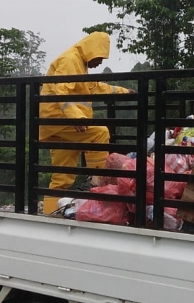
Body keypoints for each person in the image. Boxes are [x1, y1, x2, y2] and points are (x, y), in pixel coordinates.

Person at [39, 31, 133, 214]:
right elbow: (62, 91)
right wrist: (75, 116)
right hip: (61, 120)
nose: (100, 62)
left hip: (57, 124)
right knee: (100, 133)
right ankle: (98, 182)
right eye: (99, 57)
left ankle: (49, 214)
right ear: (91, 50)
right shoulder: (70, 60)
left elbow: (98, 87)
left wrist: (124, 92)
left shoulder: (79, 64)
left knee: (61, 176)